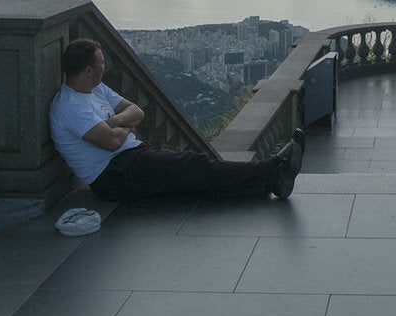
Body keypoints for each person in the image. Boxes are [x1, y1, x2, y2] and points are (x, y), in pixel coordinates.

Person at [49, 38, 304, 202]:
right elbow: (114, 142)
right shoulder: (70, 106)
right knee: (195, 167)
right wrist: (122, 126)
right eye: (102, 62)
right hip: (113, 176)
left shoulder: (95, 88)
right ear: (88, 70)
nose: (106, 66)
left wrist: (114, 122)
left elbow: (138, 112)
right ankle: (273, 167)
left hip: (130, 158)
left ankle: (272, 181)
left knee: (192, 178)